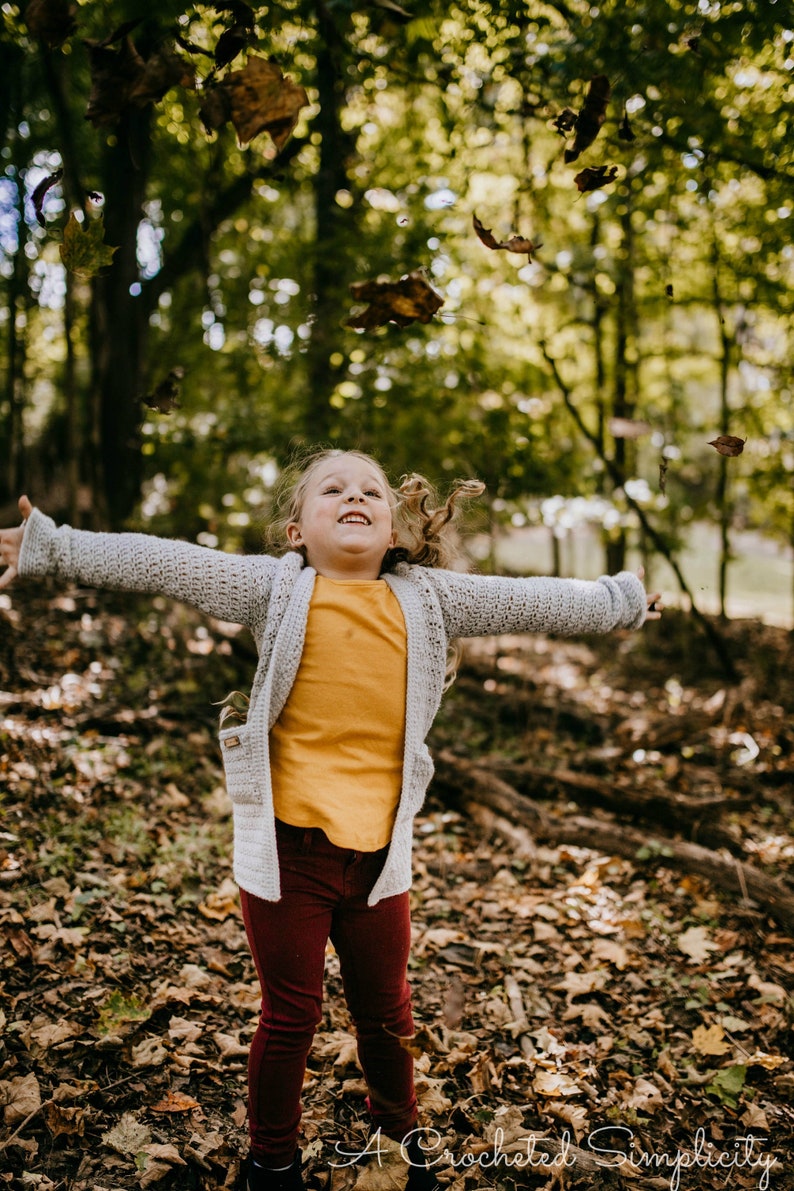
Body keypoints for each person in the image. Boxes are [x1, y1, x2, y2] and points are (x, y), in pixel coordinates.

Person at [0, 450, 661, 1191]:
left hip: (380, 861)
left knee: (387, 1013)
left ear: (392, 525)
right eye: (333, 489)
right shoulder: (276, 587)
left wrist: (621, 599)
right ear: (295, 529)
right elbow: (167, 563)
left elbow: (534, 600)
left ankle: (398, 1144)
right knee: (293, 1016)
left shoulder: (430, 598)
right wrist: (54, 546)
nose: (356, 495)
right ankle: (271, 1161)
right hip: (288, 857)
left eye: (372, 490)